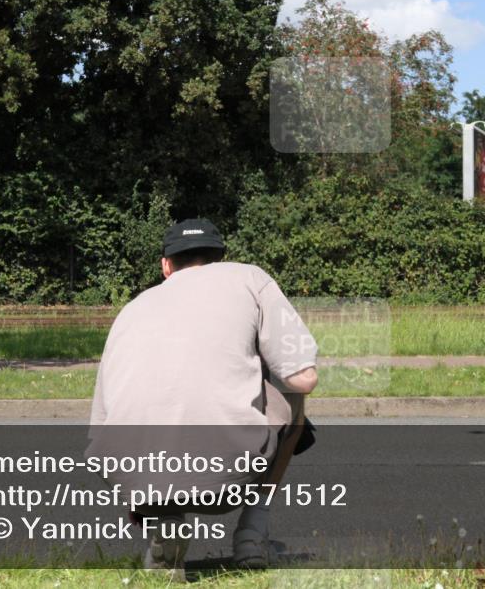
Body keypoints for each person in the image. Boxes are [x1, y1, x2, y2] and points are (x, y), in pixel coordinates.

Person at [88, 218, 318, 579]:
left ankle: (162, 523)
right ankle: (251, 537)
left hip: (133, 477)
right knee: (291, 397)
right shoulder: (249, 278)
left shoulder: (131, 309)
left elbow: (100, 426)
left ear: (166, 266)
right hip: (225, 479)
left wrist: (136, 494)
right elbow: (303, 379)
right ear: (219, 259)